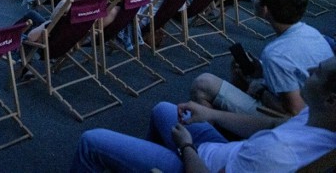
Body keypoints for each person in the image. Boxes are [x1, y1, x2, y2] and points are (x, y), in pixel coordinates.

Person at [71, 56, 336, 172]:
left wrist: (186, 146)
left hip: (199, 163)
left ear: (331, 99)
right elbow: (272, 123)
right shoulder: (319, 119)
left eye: (319, 72)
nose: (310, 69)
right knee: (163, 109)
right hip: (228, 152)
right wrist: (212, 116)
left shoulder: (278, 154)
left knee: (91, 140)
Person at [190, 0, 333, 116]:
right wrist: (262, 71)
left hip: (299, 123)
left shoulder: (276, 54)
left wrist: (259, 89)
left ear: (265, 10)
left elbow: (294, 112)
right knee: (241, 72)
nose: (254, 0)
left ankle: (214, 129)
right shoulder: (312, 33)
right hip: (319, 106)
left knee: (203, 84)